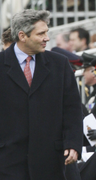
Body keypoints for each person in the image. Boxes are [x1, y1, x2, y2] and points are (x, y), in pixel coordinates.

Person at [0, 9, 83, 179]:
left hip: (51, 162)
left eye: (47, 32)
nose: (47, 38)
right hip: (8, 162)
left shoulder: (60, 64)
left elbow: (72, 109)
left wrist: (73, 144)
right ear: (22, 36)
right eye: (41, 33)